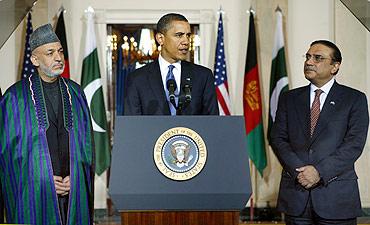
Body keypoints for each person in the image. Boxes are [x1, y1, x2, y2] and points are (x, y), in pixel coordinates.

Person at [0, 24, 94, 225]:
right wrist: (42, 178)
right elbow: (9, 157)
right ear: (34, 59)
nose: (58, 57)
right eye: (50, 53)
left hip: (72, 193)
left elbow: (86, 147)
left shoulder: (76, 93)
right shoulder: (14, 98)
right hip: (34, 195)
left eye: (60, 51)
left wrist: (75, 175)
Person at [270, 40, 369, 224]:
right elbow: (277, 138)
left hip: (336, 198)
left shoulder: (354, 99)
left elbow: (354, 144)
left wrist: (319, 172)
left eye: (318, 58)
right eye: (308, 57)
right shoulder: (289, 98)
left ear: (335, 66)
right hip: (296, 196)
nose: (309, 62)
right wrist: (300, 172)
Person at [124, 13, 219, 115]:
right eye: (179, 35)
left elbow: (212, 123)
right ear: (160, 38)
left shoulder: (203, 76)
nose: (186, 41)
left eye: (188, 35)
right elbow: (133, 125)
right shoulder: (137, 79)